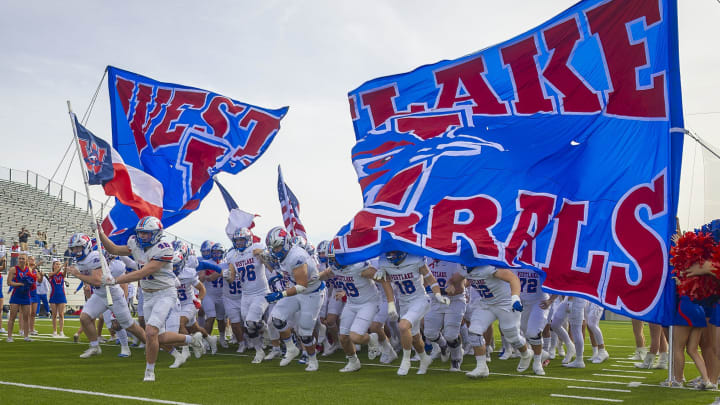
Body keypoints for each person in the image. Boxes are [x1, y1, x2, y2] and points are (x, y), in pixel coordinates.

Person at [98, 216, 204, 382]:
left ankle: (149, 372)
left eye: (147, 234)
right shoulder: (135, 243)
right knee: (155, 337)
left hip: (164, 293)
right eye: (140, 233)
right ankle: (192, 339)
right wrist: (101, 233)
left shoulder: (164, 248)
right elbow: (114, 250)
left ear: (156, 233)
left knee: (151, 332)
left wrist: (115, 280)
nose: (142, 237)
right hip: (147, 295)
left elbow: (144, 272)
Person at [65, 232, 147, 359]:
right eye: (73, 248)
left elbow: (97, 280)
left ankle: (150, 344)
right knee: (85, 318)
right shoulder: (81, 261)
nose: (75, 251)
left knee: (129, 325)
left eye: (78, 247)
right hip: (99, 294)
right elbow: (91, 279)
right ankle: (94, 346)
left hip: (112, 293)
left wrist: (77, 275)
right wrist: (85, 282)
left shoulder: (95, 257)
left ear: (85, 246)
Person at [447, 264, 533, 378]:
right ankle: (481, 367)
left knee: (512, 337)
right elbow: (453, 280)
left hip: (505, 303)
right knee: (474, 331)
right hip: (486, 304)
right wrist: (451, 285)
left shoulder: (489, 267)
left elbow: (513, 278)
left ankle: (526, 353)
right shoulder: (465, 268)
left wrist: (515, 297)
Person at [262, 226, 327, 372]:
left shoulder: (297, 256)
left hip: (311, 293)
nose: (275, 250)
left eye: (278, 247)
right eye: (273, 248)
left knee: (305, 332)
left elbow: (302, 286)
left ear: (286, 242)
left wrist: (280, 294)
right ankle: (291, 348)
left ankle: (312, 359)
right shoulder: (283, 255)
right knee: (276, 319)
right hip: (296, 290)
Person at [322, 244, 394, 373]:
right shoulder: (336, 266)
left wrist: (391, 303)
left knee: (355, 337)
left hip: (368, 303)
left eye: (335, 258)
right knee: (343, 337)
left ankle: (372, 339)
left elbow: (384, 280)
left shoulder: (359, 266)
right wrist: (310, 280)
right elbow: (327, 273)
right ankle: (353, 362)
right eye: (331, 259)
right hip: (351, 302)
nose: (333, 261)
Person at [375, 251, 449, 376]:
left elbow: (430, 279)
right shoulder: (384, 262)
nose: (392, 256)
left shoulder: (415, 259)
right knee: (414, 337)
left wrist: (438, 294)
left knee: (403, 326)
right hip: (404, 302)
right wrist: (391, 304)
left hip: (419, 299)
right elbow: (386, 285)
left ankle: (406, 360)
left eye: (394, 253)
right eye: (390, 253)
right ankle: (424, 359)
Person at [226, 228, 271, 364]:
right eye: (237, 240)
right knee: (248, 324)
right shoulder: (233, 256)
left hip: (261, 292)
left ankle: (259, 350)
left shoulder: (256, 249)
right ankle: (263, 333)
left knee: (251, 322)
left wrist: (263, 255)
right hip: (245, 295)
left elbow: (271, 267)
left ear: (248, 240)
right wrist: (227, 276)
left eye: (242, 240)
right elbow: (232, 279)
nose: (239, 243)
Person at [425, 258, 466, 371]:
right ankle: (443, 345)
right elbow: (424, 282)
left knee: (451, 335)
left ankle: (456, 358)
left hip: (454, 300)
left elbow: (461, 288)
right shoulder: (427, 260)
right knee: (430, 333)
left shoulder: (454, 261)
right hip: (435, 301)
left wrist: (451, 288)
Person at [6, 253, 33, 342]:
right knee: (12, 317)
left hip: (26, 295)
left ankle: (26, 336)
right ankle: (9, 337)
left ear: (26, 260)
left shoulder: (29, 269)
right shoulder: (13, 269)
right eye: (20, 258)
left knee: (26, 317)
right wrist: (20, 284)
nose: (21, 260)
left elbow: (31, 281)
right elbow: (9, 282)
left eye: (23, 259)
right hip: (16, 295)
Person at [48, 259, 68, 337]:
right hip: (53, 295)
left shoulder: (61, 274)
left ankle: (61, 331)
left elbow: (65, 273)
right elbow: (55, 273)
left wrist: (66, 265)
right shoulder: (51, 274)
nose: (58, 265)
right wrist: (63, 266)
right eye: (56, 264)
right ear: (53, 266)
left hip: (61, 296)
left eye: (59, 264)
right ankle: (54, 331)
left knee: (61, 314)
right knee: (54, 315)